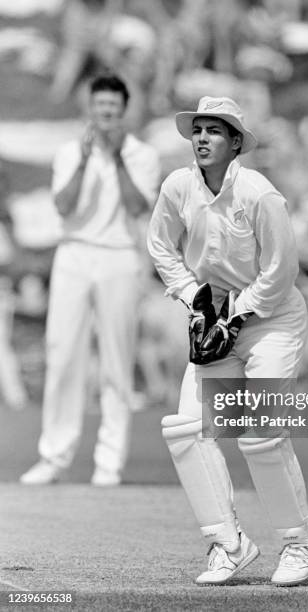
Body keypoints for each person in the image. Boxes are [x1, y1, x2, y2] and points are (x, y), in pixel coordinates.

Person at [147, 96, 308, 586]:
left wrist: (237, 315)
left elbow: (281, 271)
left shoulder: (260, 195)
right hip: (217, 314)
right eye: (197, 129)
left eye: (215, 131)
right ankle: (229, 544)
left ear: (236, 142)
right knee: (184, 428)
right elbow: (159, 244)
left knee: (260, 433)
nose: (202, 138)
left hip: (272, 319)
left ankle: (298, 544)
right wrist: (192, 296)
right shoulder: (179, 186)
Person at [20, 73, 160, 486]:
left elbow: (138, 207)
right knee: (62, 354)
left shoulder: (141, 154)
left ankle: (109, 462)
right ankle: (54, 455)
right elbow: (63, 206)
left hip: (118, 256)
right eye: (100, 107)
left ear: (123, 110)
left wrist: (116, 159)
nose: (105, 114)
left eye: (113, 109)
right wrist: (84, 159)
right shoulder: (68, 152)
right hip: (74, 252)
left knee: (117, 359)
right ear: (90, 107)